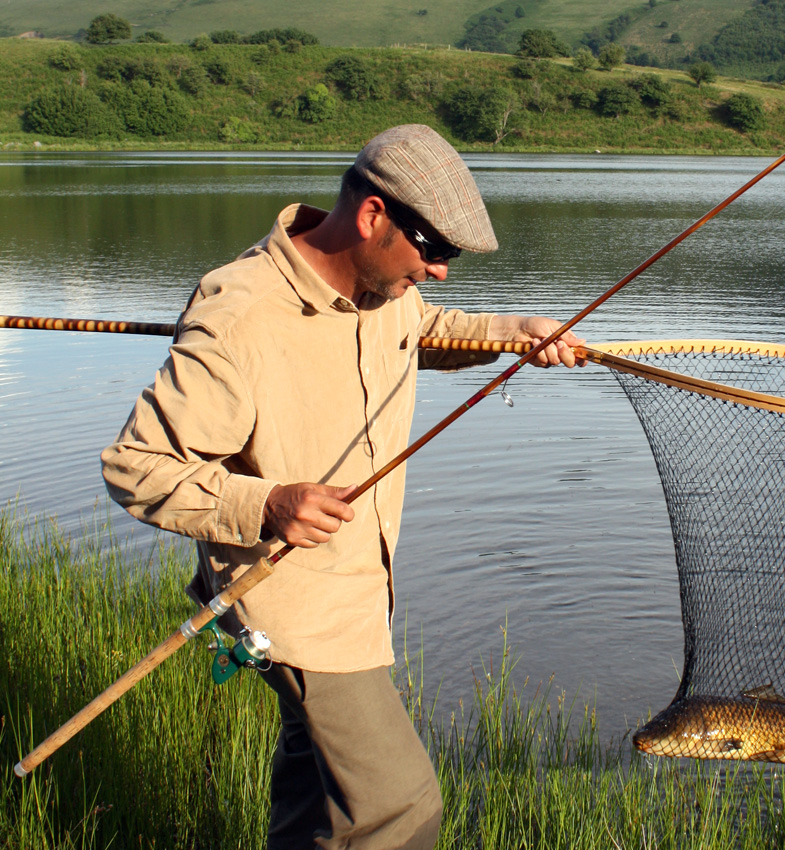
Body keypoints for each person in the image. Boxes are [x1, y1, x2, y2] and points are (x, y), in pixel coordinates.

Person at [101, 124, 584, 850]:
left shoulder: (382, 288)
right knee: (400, 807)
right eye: (436, 251)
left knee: (316, 797)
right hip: (293, 611)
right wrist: (265, 502)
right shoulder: (239, 316)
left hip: (360, 594)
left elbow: (426, 330)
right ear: (372, 217)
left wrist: (517, 330)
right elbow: (136, 465)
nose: (441, 271)